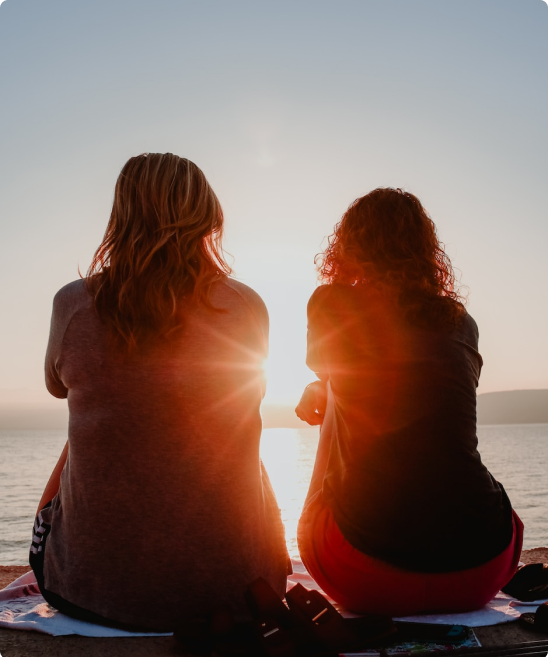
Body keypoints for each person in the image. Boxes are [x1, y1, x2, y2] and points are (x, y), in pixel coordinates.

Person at [30, 153, 289, 632]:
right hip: (238, 591)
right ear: (209, 214)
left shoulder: (73, 303)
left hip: (93, 593)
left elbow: (55, 385)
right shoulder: (247, 305)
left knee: (90, 432)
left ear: (120, 216)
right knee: (229, 429)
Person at [295, 188, 522, 616]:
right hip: (483, 569)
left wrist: (323, 386)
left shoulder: (333, 302)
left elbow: (325, 366)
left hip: (363, 575)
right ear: (425, 250)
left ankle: (338, 522)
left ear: (348, 246)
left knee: (335, 401)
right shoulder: (460, 322)